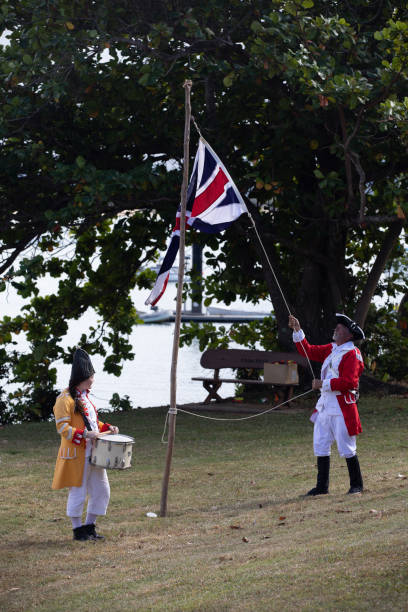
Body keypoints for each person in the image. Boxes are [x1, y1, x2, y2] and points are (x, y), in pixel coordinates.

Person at [288, 313, 365, 496]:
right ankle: (322, 487)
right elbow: (308, 350)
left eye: (339, 328)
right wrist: (298, 330)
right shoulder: (333, 349)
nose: (335, 330)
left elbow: (350, 382)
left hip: (341, 407)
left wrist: (324, 384)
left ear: (349, 335)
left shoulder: (352, 354)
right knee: (321, 444)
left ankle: (357, 485)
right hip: (325, 405)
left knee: (347, 447)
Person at [52, 347, 119, 541]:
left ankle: (89, 527)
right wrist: (85, 435)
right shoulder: (64, 400)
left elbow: (92, 423)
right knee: (78, 491)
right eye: (91, 376)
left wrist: (107, 426)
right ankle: (77, 530)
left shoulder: (85, 398)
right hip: (76, 454)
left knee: (101, 490)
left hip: (94, 452)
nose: (93, 379)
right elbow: (62, 428)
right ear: (83, 376)